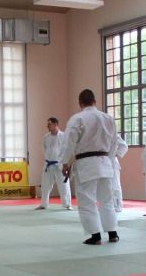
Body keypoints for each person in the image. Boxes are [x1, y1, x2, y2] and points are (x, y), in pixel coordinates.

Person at [60, 89, 119, 245]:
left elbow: (68, 143)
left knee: (87, 200)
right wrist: (109, 160)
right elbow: (114, 143)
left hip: (87, 164)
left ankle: (95, 235)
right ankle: (113, 233)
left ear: (80, 103)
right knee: (107, 200)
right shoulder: (108, 118)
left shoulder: (77, 118)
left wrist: (65, 162)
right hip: (105, 162)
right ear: (95, 101)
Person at [36, 117, 72, 210]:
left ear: (55, 124)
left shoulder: (63, 136)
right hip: (48, 164)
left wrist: (65, 162)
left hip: (60, 164)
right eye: (47, 124)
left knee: (64, 185)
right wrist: (48, 158)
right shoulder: (46, 137)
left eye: (49, 124)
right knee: (45, 185)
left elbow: (66, 150)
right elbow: (44, 149)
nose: (47, 125)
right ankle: (44, 204)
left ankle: (67, 204)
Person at [110, 136, 129, 213]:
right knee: (104, 186)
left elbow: (124, 145)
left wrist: (116, 154)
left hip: (112, 162)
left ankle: (117, 206)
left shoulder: (112, 132)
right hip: (101, 162)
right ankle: (108, 205)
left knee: (115, 185)